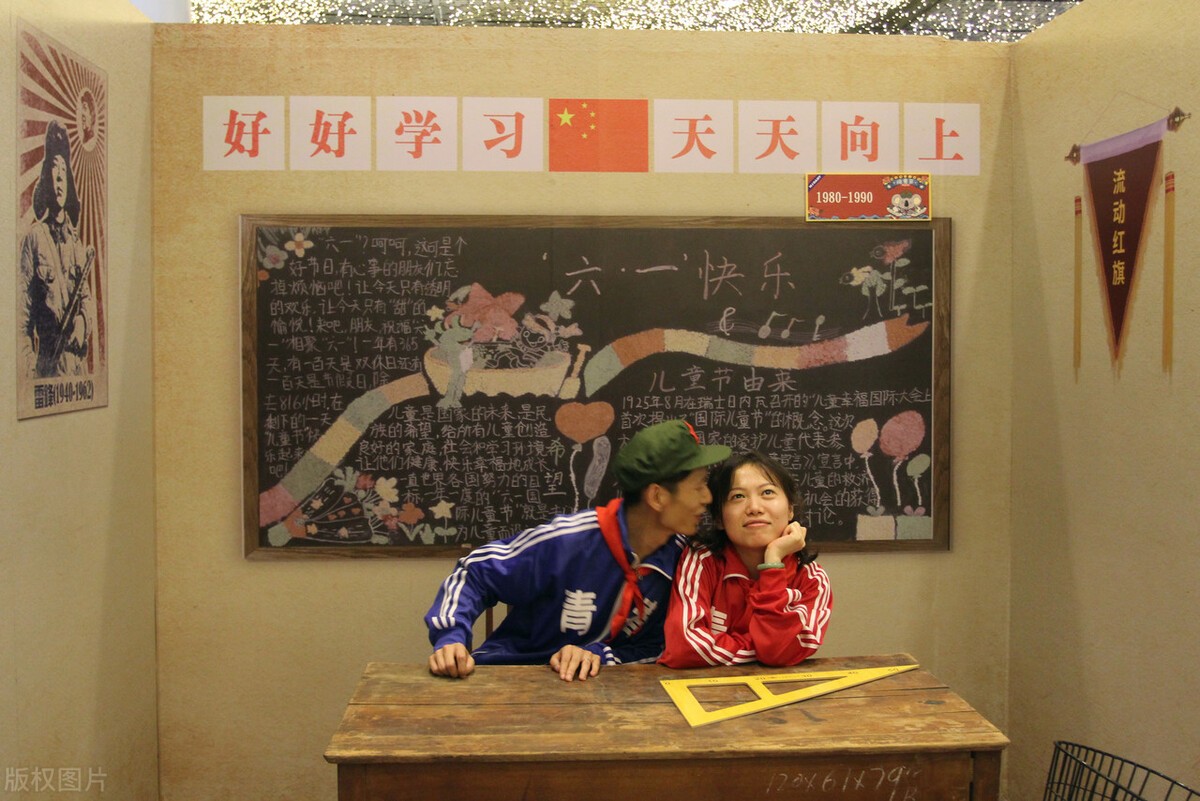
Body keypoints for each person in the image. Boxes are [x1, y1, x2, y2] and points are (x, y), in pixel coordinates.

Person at [426, 419, 730, 681]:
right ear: (658, 497)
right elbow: (475, 571)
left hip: (599, 693)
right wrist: (451, 637)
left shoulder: (681, 562)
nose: (707, 498)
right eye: (698, 486)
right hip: (509, 677)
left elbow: (660, 646)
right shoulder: (569, 541)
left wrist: (601, 655)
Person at [658, 450, 832, 668]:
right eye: (738, 497)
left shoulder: (812, 579)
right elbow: (684, 647)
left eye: (767, 492)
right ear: (719, 519)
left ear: (790, 510)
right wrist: (758, 648)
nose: (754, 508)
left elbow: (777, 654)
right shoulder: (702, 560)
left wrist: (773, 562)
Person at [19, 120, 96, 378]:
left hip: (77, 374)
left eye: (64, 168)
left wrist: (82, 322)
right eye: (54, 167)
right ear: (46, 176)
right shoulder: (34, 239)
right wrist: (31, 373)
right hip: (47, 373)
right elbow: (22, 321)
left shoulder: (76, 244)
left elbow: (86, 300)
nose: (60, 176)